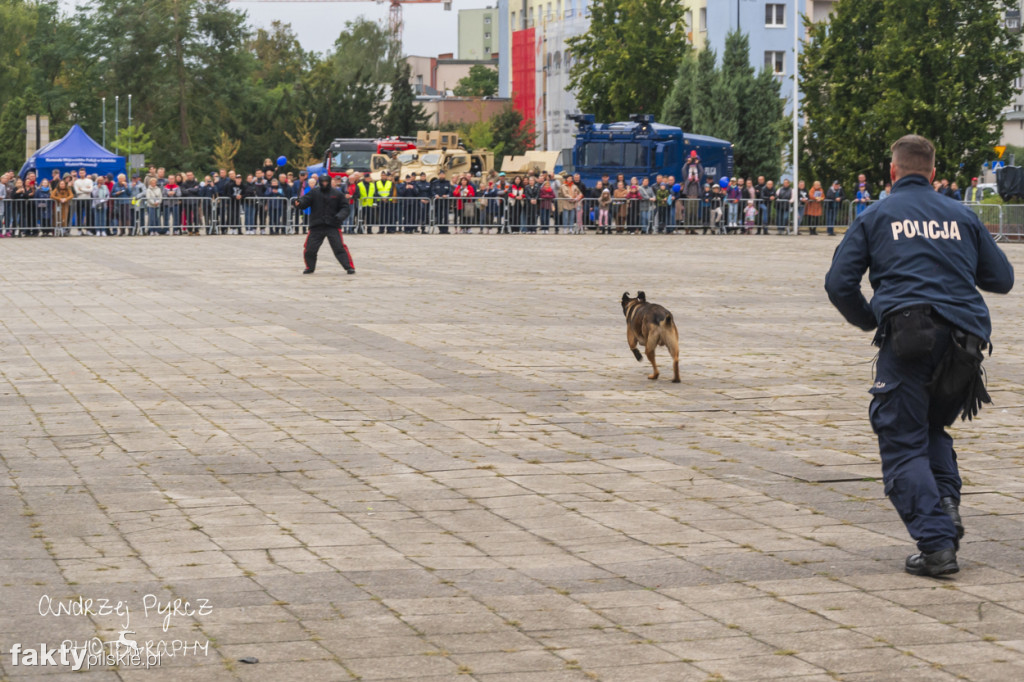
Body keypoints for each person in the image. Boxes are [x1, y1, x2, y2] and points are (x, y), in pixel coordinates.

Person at [824, 134, 1014, 577]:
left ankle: (936, 546)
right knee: (930, 427)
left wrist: (870, 319)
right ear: (932, 172)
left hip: (909, 340)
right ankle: (945, 507)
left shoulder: (877, 215)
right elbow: (1002, 279)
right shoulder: (960, 214)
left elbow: (839, 283)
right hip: (965, 346)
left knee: (901, 440)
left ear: (892, 171)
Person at [293, 173, 354, 275]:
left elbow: (345, 207)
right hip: (317, 225)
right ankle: (310, 267)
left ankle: (349, 267)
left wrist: (340, 216)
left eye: (326, 182)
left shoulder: (337, 194)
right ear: (320, 182)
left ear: (329, 182)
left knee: (339, 248)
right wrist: (299, 203)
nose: (324, 184)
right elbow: (304, 201)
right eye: (323, 182)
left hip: (333, 225)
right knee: (309, 249)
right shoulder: (314, 192)